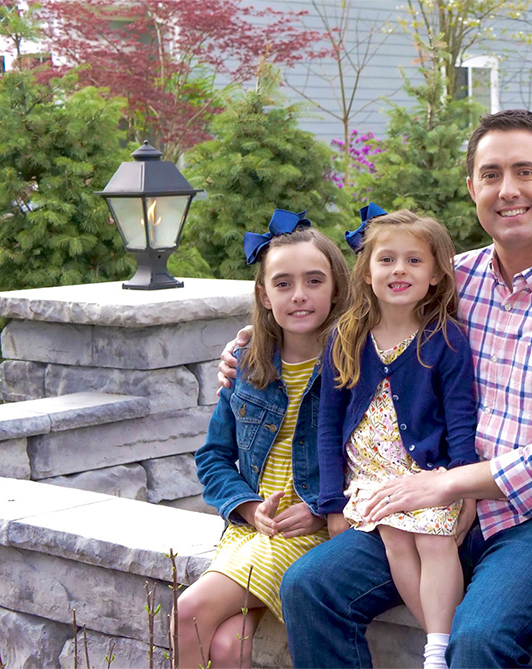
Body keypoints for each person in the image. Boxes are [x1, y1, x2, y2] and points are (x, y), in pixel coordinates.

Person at [219, 109, 532, 667]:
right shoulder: (452, 279)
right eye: (490, 175)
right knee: (309, 585)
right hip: (432, 500)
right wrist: (256, 343)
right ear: (472, 188)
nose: (507, 190)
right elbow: (360, 324)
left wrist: (448, 487)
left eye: (524, 171)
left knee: (478, 638)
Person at [177, 210, 349, 668]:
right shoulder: (248, 367)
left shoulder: (352, 369)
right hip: (251, 529)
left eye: (314, 281)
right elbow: (213, 457)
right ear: (264, 294)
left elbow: (372, 458)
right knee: (229, 645)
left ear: (336, 288)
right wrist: (249, 507)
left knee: (188, 611)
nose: (299, 296)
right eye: (283, 283)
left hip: (313, 535)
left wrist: (319, 510)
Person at [316, 207, 479, 669]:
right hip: (370, 475)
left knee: (433, 539)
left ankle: (435, 648)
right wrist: (331, 505)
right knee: (395, 535)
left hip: (429, 473)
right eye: (386, 259)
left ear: (435, 275)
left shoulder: (445, 339)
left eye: (413, 260)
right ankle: (438, 640)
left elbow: (460, 418)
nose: (399, 270)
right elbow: (327, 425)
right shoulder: (346, 338)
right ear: (366, 273)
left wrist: (465, 485)